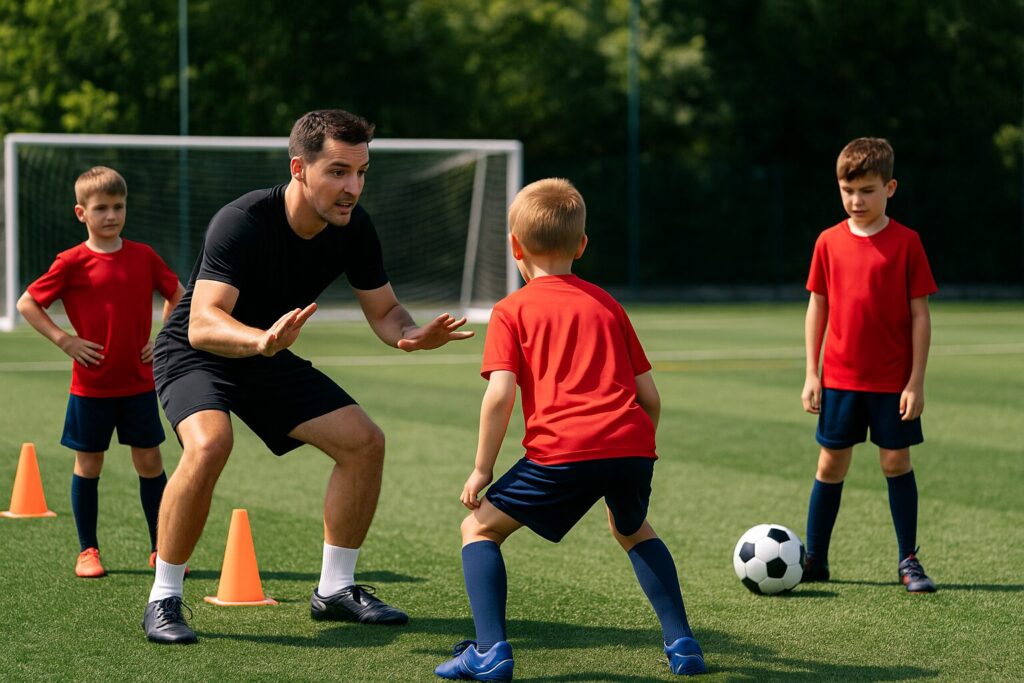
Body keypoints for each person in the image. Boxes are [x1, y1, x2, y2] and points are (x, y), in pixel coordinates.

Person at [143, 109, 474, 644]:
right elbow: (203, 324)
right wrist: (260, 340)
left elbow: (387, 314)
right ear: (300, 168)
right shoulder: (242, 220)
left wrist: (412, 335)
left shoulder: (354, 228)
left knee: (364, 443)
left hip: (266, 351)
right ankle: (163, 599)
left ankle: (335, 591)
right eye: (339, 172)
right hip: (197, 352)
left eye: (361, 173)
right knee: (209, 445)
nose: (353, 188)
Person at [435, 178, 707, 680]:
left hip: (563, 452)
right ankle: (683, 643)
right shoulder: (608, 304)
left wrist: (481, 470)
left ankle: (490, 651)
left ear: (515, 247)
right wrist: (638, 446)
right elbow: (649, 396)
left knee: (478, 528)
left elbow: (500, 395)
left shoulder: (511, 310)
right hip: (632, 446)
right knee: (631, 528)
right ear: (581, 245)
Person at [17, 166, 185, 579]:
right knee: (89, 464)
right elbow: (27, 304)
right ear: (81, 213)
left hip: (139, 383)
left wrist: (163, 339)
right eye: (101, 208)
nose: (111, 215)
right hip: (90, 388)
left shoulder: (143, 256)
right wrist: (66, 341)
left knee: (149, 461)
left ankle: (160, 546)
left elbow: (178, 293)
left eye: (118, 206)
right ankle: (88, 550)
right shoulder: (71, 262)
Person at [800, 137, 938, 593]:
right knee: (830, 465)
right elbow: (817, 307)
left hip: (892, 382)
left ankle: (908, 560)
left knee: (896, 462)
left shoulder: (907, 243)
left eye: (867, 190)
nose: (856, 200)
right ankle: (815, 558)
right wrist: (812, 373)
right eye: (848, 190)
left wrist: (915, 382)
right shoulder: (827, 242)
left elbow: (920, 316)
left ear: (890, 188)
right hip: (839, 379)